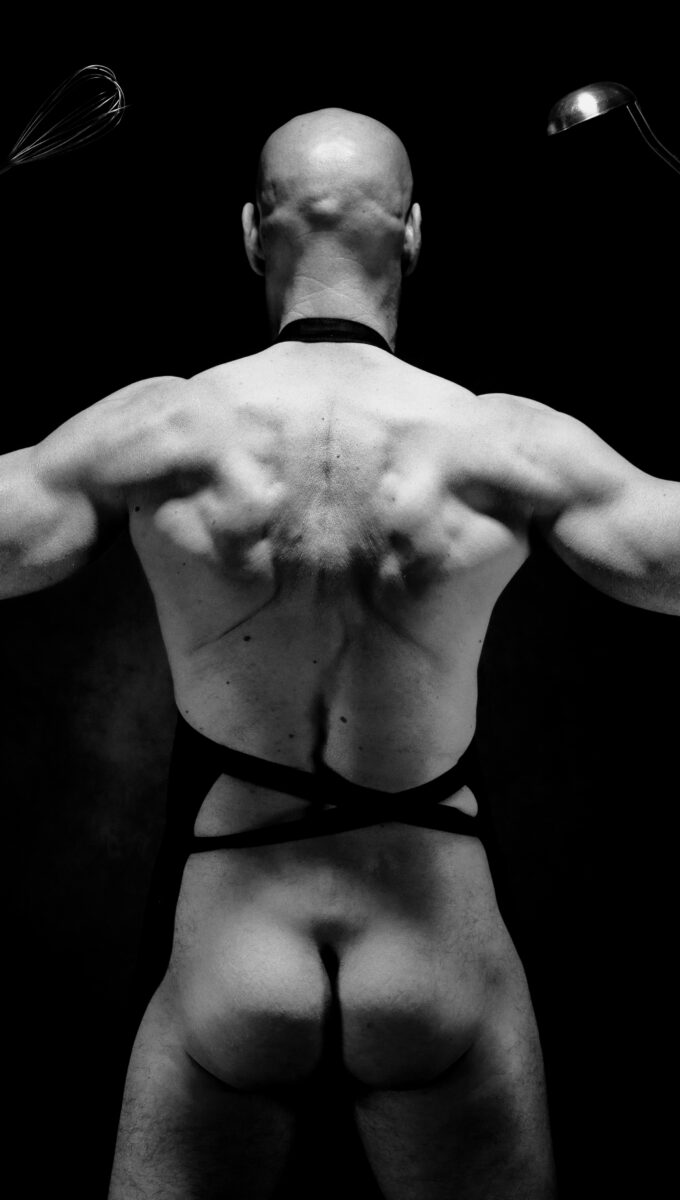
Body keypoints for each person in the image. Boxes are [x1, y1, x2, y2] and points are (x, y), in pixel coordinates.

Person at [1, 106, 678, 1200]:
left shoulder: (160, 428)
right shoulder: (500, 440)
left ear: (249, 234)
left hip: (234, 947)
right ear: (412, 233)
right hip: (432, 941)